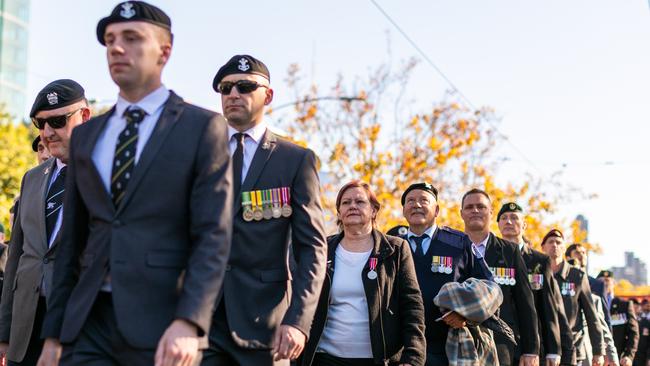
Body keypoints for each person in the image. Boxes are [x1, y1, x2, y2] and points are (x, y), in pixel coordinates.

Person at [37, 2, 233, 365]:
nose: (116, 48)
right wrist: (53, 333)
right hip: (86, 323)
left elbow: (213, 234)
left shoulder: (201, 128)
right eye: (110, 40)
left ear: (165, 51)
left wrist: (190, 320)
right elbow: (71, 243)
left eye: (132, 38)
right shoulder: (88, 135)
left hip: (163, 322)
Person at [202, 54, 327, 366]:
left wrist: (298, 320)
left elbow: (312, 247)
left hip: (266, 325)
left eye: (245, 87)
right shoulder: (200, 155)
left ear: (267, 96)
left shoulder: (295, 160)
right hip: (202, 322)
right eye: (225, 88)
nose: (233, 94)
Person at [0, 79, 91, 366]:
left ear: (84, 117)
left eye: (58, 121)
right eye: (40, 124)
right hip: (25, 330)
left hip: (77, 328)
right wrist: (4, 330)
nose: (48, 132)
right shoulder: (32, 178)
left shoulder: (106, 174)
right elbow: (15, 257)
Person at [298, 181, 425, 366]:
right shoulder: (322, 249)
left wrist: (413, 357)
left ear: (374, 210)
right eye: (346, 202)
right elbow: (303, 299)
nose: (352, 206)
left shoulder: (396, 249)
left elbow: (412, 306)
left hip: (380, 359)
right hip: (324, 357)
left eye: (360, 202)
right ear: (339, 212)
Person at [393, 182, 492, 365]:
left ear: (437, 210)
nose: (417, 205)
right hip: (402, 348)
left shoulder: (459, 243)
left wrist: (466, 314)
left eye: (424, 200)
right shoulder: (392, 247)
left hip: (448, 348)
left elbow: (489, 287)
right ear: (404, 210)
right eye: (411, 201)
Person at [460, 189, 539, 366]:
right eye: (469, 207)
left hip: (501, 344)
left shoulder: (509, 251)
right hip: (459, 340)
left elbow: (525, 303)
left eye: (481, 206)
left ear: (491, 212)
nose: (475, 210)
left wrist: (531, 349)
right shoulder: (450, 247)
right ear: (461, 213)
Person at [497, 201, 575, 366]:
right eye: (504, 218)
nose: (508, 221)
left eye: (514, 218)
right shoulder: (491, 255)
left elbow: (549, 306)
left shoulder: (539, 260)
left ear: (524, 225)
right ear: (498, 224)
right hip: (499, 340)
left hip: (531, 342)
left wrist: (554, 349)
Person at [541, 229, 605, 366]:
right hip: (544, 346)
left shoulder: (577, 276)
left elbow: (591, 315)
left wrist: (598, 350)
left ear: (564, 248)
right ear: (543, 247)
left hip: (572, 347)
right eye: (550, 242)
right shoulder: (537, 273)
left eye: (558, 242)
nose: (555, 245)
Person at [598, 271, 639, 366]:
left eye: (608, 280)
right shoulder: (591, 303)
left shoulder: (624, 305)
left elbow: (633, 332)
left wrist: (628, 355)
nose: (605, 284)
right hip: (597, 358)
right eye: (601, 281)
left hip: (618, 358)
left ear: (613, 283)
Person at [567, 243, 610, 328]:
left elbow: (604, 315)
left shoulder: (598, 284)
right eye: (577, 253)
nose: (582, 255)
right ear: (568, 258)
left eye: (584, 252)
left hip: (591, 332)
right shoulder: (563, 281)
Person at [633, 300, 649, 366]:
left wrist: (649, 358)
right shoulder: (625, 321)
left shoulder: (646, 322)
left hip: (642, 357)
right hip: (627, 357)